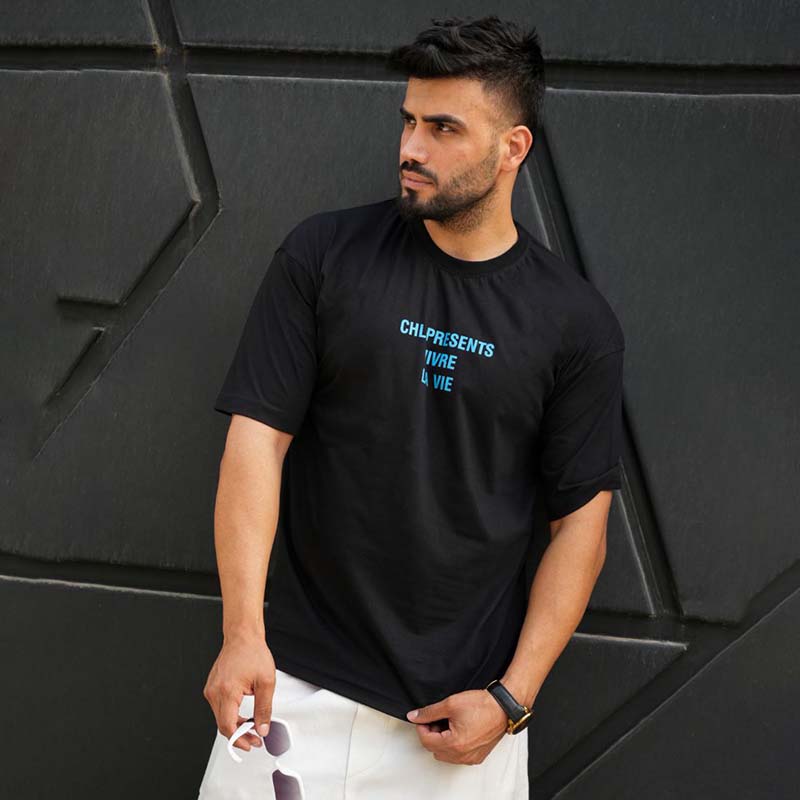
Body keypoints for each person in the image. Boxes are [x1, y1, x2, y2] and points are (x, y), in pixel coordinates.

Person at [198, 14, 625, 799]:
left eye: (443, 128)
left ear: (512, 148)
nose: (410, 148)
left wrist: (513, 699)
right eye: (408, 121)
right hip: (288, 691)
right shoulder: (324, 257)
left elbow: (581, 527)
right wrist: (241, 634)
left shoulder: (575, 324)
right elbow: (257, 442)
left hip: (458, 728)